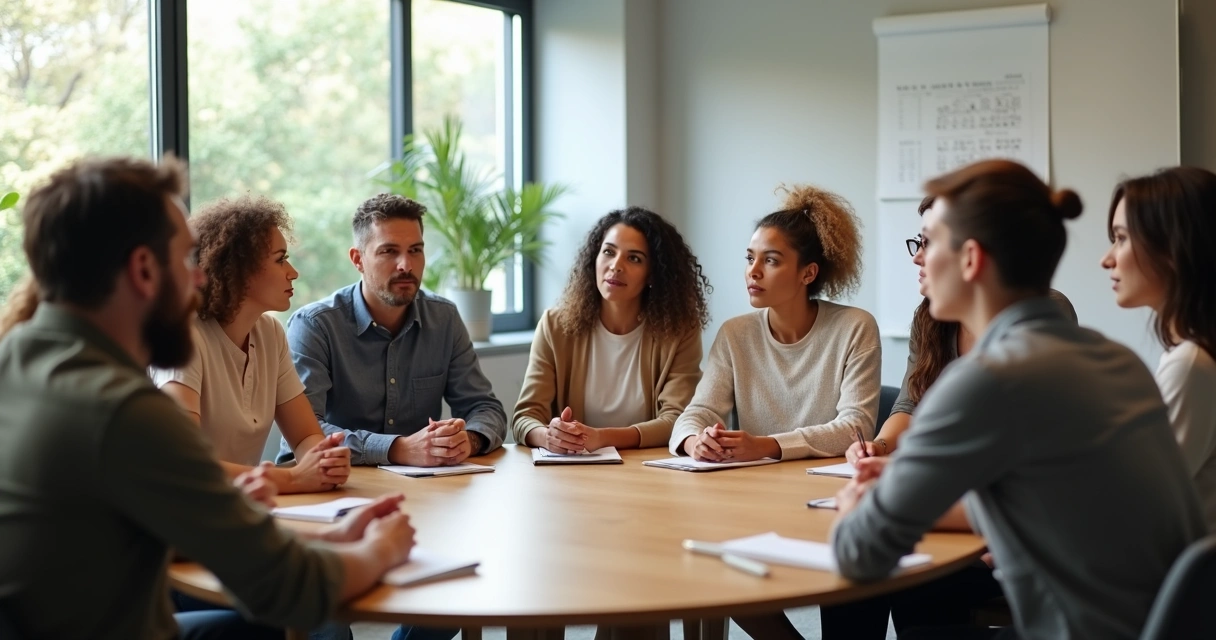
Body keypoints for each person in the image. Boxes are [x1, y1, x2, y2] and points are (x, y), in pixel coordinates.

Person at [0, 156, 416, 640]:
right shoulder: (123, 411)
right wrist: (381, 549)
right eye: (185, 259)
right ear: (142, 270)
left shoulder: (17, 360)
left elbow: (112, 538)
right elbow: (288, 588)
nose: (200, 278)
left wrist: (329, 537)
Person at [831, 159, 1206, 640]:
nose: (918, 257)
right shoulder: (1118, 360)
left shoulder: (985, 379)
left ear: (970, 259)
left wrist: (855, 503)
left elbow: (858, 554)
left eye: (927, 241)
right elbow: (1055, 497)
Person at [282, 193, 507, 470]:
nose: (406, 265)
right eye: (389, 251)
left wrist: (468, 440)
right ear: (358, 259)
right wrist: (399, 449)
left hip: (424, 487)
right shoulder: (315, 325)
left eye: (415, 250)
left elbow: (485, 407)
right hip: (338, 484)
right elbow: (305, 434)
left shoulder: (443, 317)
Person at [845, 195, 1076, 465]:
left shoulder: (1044, 312)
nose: (917, 258)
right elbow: (910, 404)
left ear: (972, 253)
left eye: (929, 244)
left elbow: (1038, 428)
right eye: (918, 243)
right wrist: (880, 447)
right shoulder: (929, 317)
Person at [152, 195, 351, 494]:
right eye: (280, 258)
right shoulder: (184, 335)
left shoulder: (270, 332)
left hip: (238, 511)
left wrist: (322, 461)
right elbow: (184, 462)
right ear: (239, 270)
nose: (293, 272)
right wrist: (295, 478)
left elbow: (304, 437)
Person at [669, 184, 880, 463]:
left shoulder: (855, 327)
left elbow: (855, 427)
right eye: (749, 258)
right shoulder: (735, 334)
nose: (753, 271)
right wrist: (695, 441)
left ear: (808, 273)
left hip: (824, 486)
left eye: (770, 260)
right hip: (754, 485)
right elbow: (698, 412)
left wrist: (767, 446)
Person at [513, 207, 711, 453]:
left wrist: (602, 437)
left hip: (646, 470)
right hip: (571, 471)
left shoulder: (679, 330)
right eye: (608, 252)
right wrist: (549, 436)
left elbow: (676, 420)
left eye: (634, 258)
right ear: (594, 259)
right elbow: (525, 416)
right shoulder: (555, 326)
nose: (616, 266)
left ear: (653, 274)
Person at [1102, 166, 1216, 529]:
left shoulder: (1192, 365)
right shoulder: (1192, 356)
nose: (1107, 259)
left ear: (1171, 248)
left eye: (1121, 239)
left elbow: (1135, 508)